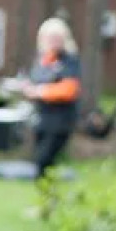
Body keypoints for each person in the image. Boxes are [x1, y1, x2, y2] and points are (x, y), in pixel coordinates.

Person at [22, 18, 83, 176]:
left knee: (44, 160)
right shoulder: (43, 60)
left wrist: (40, 91)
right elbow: (33, 82)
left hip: (60, 121)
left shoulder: (69, 61)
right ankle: (46, 197)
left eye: (57, 38)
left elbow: (69, 90)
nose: (53, 42)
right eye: (49, 37)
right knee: (41, 163)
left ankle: (49, 198)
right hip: (42, 119)